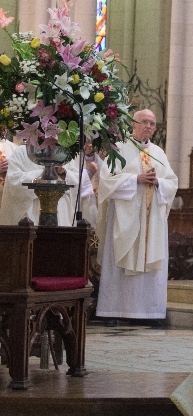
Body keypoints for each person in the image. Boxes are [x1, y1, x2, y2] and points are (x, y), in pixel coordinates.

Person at [95, 109, 179, 326]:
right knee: (120, 260)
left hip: (152, 219)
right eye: (145, 122)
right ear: (133, 124)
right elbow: (106, 181)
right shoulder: (119, 148)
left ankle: (150, 313)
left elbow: (172, 182)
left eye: (152, 123)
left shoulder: (159, 153)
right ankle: (112, 311)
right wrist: (136, 179)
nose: (149, 126)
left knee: (150, 262)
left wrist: (159, 182)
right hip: (126, 218)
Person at [0, 138, 79, 226]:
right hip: (32, 213)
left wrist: (63, 174)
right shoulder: (22, 151)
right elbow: (14, 180)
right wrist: (46, 174)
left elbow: (78, 179)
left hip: (61, 211)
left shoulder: (63, 152)